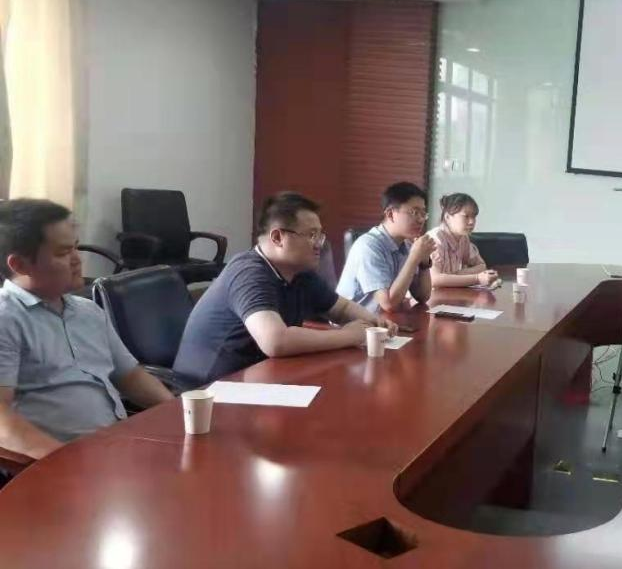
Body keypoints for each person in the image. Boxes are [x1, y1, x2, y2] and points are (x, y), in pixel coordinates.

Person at [0, 199, 173, 464]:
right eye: (63, 253)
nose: (77, 260)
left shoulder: (88, 311)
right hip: (64, 464)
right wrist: (65, 462)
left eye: (76, 247)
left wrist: (179, 412)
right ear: (20, 265)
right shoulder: (7, 318)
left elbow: (130, 376)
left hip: (117, 448)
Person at [173, 192, 394, 385]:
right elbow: (276, 341)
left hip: (259, 377)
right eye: (311, 235)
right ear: (278, 237)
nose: (319, 244)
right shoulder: (249, 272)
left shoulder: (300, 273)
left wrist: (374, 322)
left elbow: (341, 308)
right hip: (210, 389)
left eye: (320, 235)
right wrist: (349, 336)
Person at [336, 182, 434, 313]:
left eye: (423, 213)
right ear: (390, 214)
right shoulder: (369, 246)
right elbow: (388, 304)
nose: (421, 220)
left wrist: (424, 263)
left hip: (382, 319)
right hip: (351, 321)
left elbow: (422, 296)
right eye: (414, 212)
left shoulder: (407, 245)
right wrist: (414, 258)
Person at [427, 193, 498, 288]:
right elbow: (434, 279)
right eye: (466, 216)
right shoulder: (435, 239)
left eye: (474, 216)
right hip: (431, 295)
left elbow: (481, 266)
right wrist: (477, 278)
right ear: (447, 217)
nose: (472, 222)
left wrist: (456, 275)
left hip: (450, 292)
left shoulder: (463, 238)